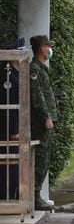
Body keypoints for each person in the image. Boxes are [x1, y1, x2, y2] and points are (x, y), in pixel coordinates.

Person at [29, 35, 59, 211]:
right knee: (41, 160)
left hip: (46, 121)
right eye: (48, 46)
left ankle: (37, 196)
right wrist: (46, 117)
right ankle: (34, 196)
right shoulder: (34, 69)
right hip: (40, 123)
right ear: (42, 48)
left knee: (45, 159)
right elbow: (37, 96)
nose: (50, 49)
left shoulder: (41, 68)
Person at [0, 38, 24, 201]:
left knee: (14, 170)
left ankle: (10, 199)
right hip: (8, 133)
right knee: (9, 171)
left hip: (14, 132)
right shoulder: (8, 76)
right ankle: (6, 200)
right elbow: (9, 108)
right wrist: (14, 130)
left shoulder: (16, 74)